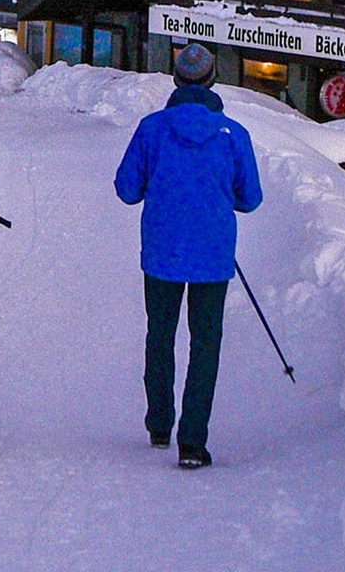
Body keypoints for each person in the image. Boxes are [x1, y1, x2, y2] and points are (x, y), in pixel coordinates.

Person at [114, 43, 263, 469]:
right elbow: (250, 199)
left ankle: (160, 423)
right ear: (212, 80)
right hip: (213, 255)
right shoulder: (233, 134)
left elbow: (127, 190)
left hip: (162, 251)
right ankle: (193, 442)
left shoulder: (152, 129)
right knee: (205, 344)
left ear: (176, 79)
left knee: (160, 336)